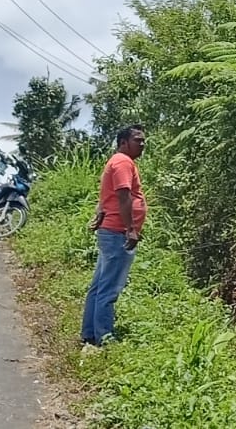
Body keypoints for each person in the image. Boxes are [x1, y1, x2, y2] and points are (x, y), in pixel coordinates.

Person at [81, 125, 147, 347]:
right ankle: (104, 337)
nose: (142, 144)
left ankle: (91, 333)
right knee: (109, 288)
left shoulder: (119, 162)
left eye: (143, 140)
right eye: (137, 140)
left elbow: (107, 196)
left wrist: (100, 213)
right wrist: (131, 229)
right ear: (123, 142)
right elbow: (123, 196)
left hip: (112, 231)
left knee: (99, 285)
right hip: (118, 233)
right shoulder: (122, 163)